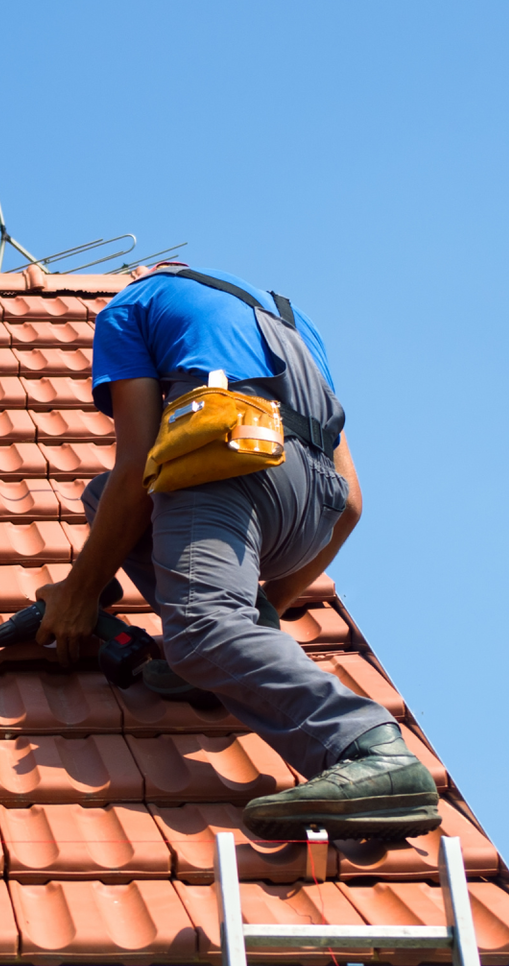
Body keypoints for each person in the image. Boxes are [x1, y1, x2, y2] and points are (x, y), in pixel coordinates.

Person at [34, 265, 439, 839]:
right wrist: (266, 605)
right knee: (105, 501)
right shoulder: (293, 324)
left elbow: (134, 469)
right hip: (310, 511)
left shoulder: (128, 309)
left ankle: (368, 749)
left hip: (233, 467)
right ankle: (231, 652)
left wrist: (78, 593)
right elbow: (351, 504)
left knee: (198, 629)